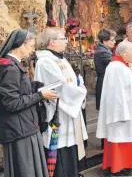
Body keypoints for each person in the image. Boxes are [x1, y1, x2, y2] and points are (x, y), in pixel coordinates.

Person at [0, 29, 58, 177]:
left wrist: (37, 86)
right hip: (19, 129)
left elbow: (19, 90)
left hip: (22, 126)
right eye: (31, 46)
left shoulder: (12, 65)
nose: (32, 50)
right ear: (21, 44)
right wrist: (40, 95)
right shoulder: (10, 67)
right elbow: (11, 102)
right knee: (25, 169)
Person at [35, 28, 88, 177]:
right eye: (63, 38)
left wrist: (79, 86)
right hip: (58, 113)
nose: (66, 41)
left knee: (70, 147)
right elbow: (60, 87)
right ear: (52, 42)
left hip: (68, 111)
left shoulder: (60, 58)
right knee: (60, 148)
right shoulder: (45, 62)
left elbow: (69, 83)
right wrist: (81, 91)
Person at [96, 41, 132, 176]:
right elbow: (116, 94)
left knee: (126, 137)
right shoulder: (116, 68)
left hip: (127, 110)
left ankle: (126, 164)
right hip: (121, 113)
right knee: (120, 138)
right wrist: (121, 114)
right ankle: (118, 168)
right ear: (124, 53)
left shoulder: (120, 66)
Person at [94, 29, 116, 110]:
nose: (114, 42)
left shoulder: (104, 49)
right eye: (112, 40)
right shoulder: (103, 52)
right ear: (104, 41)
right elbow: (115, 64)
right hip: (104, 83)